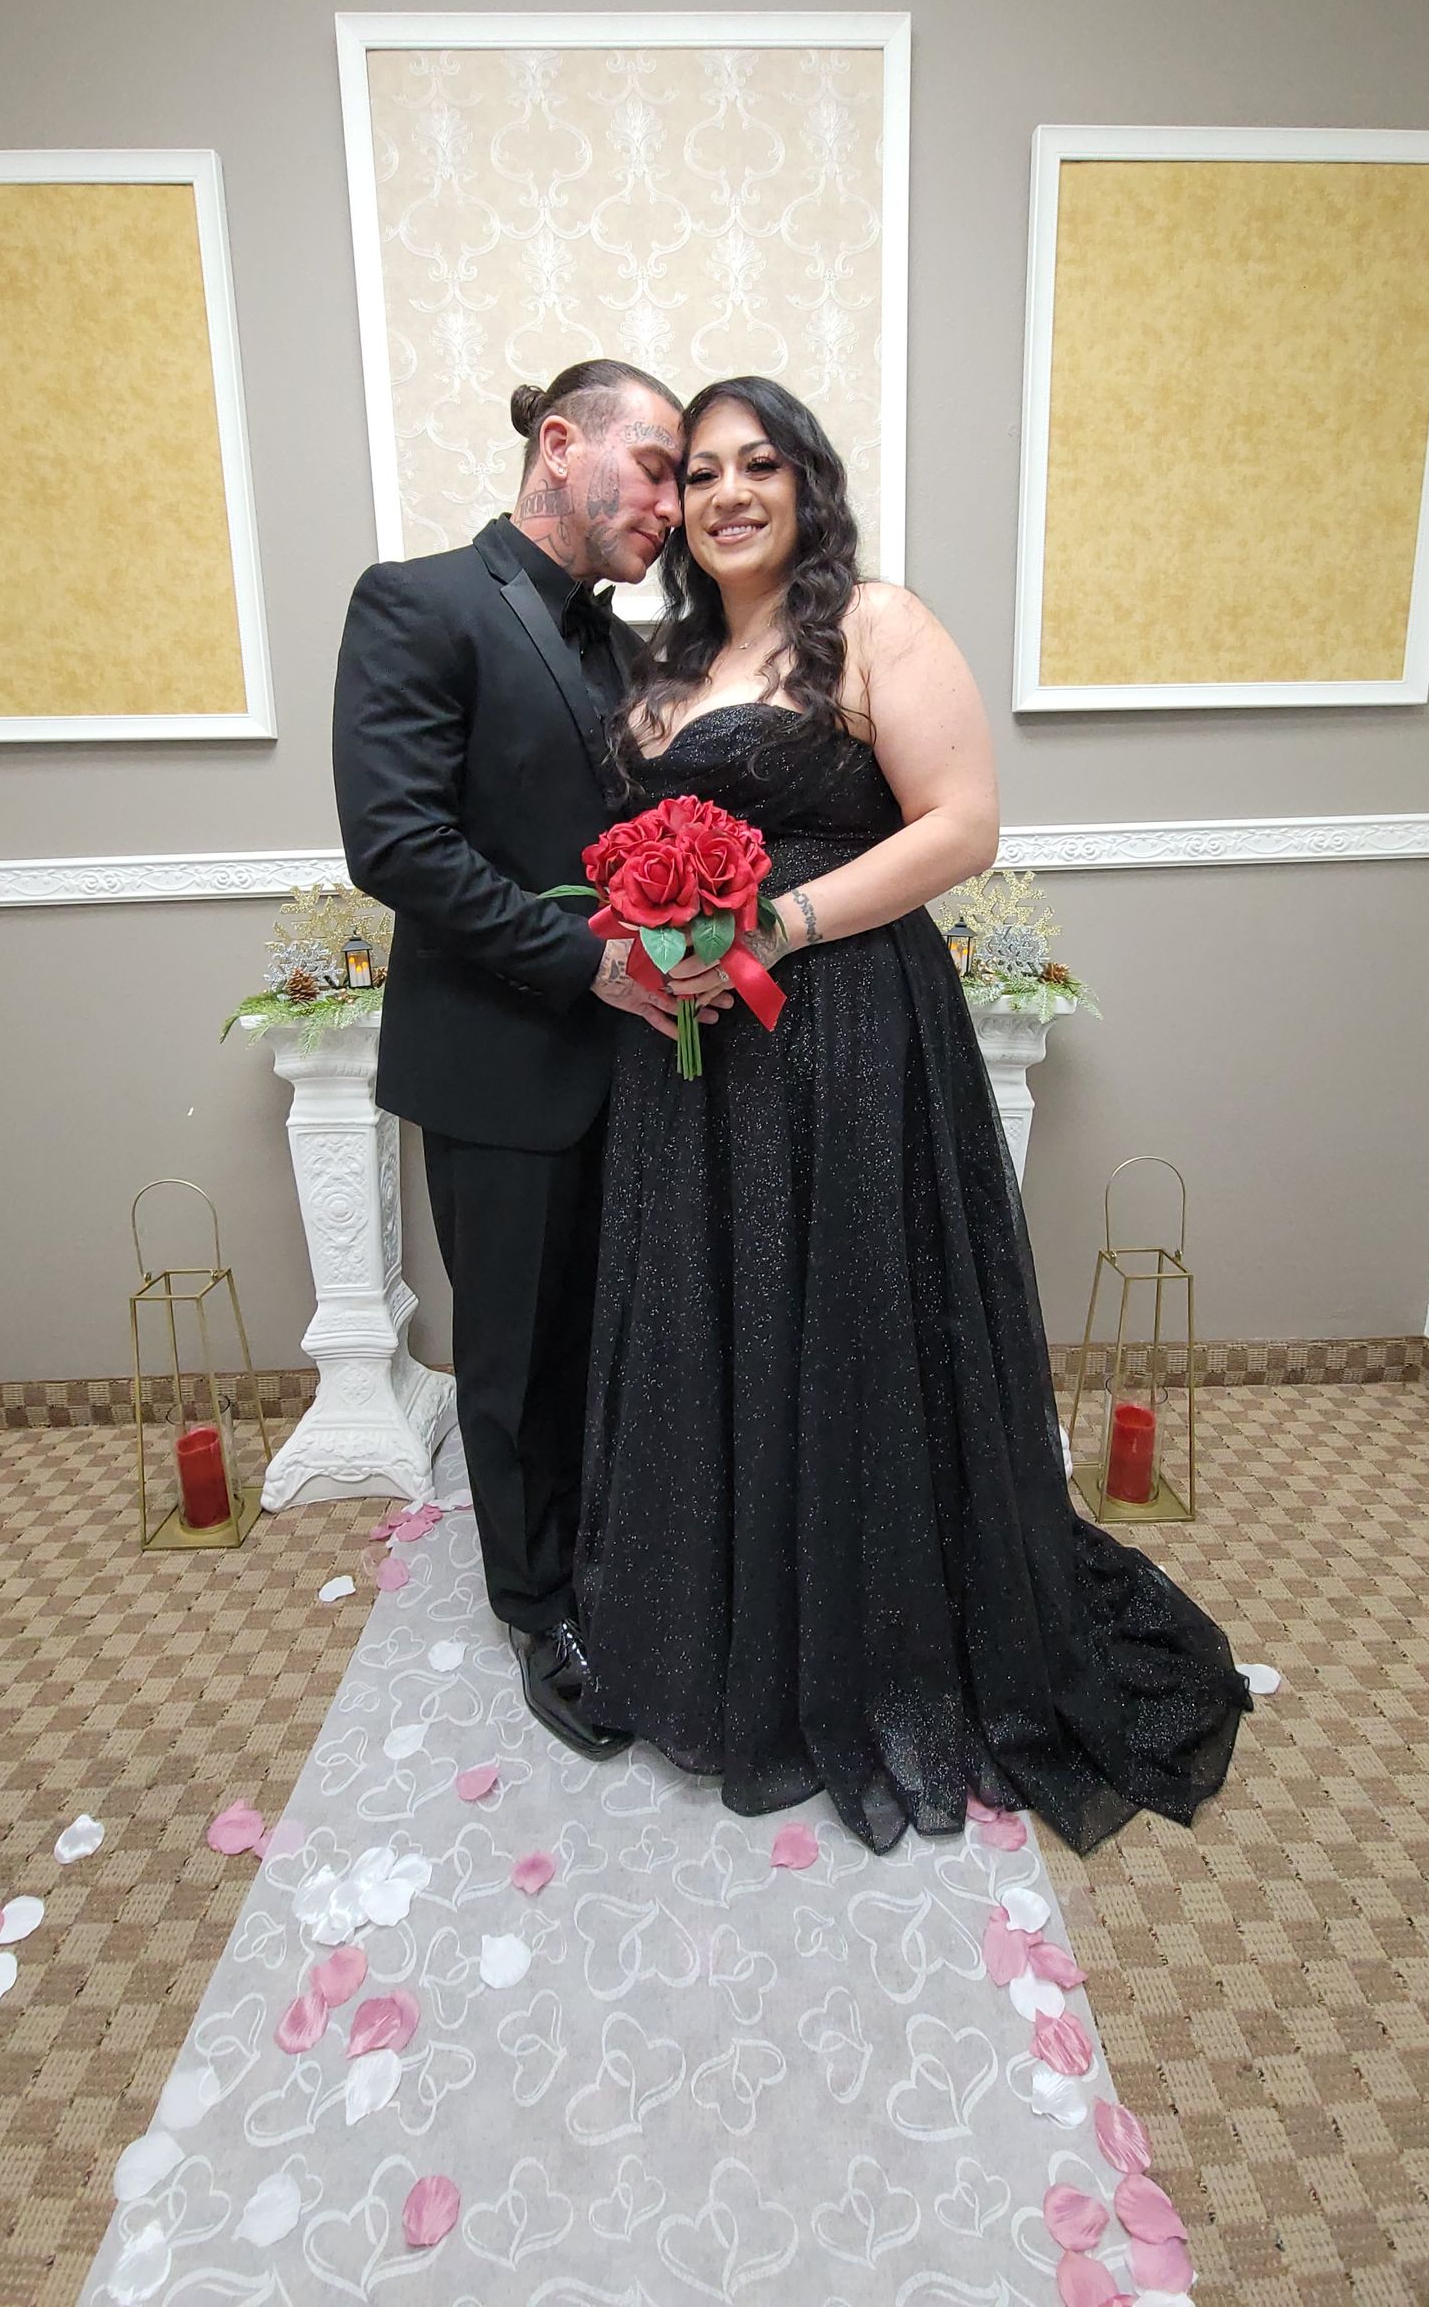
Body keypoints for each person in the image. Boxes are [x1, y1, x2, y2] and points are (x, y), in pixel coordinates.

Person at [573, 376, 1250, 1852]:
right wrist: (648, 953)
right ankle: (732, 1625)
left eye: (761, 464)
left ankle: (880, 1638)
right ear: (676, 506)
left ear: (806, 485)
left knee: (854, 1314)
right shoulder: (664, 662)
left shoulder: (875, 625)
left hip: (848, 1033)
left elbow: (964, 824)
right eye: (702, 471)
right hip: (694, 1057)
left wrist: (781, 925)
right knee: (720, 1312)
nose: (729, 493)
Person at [334, 358, 707, 1761]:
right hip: (500, 1067)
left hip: (642, 1071)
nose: (672, 503)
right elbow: (398, 845)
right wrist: (588, 965)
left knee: (620, 1339)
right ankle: (540, 1610)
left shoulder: (630, 652)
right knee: (517, 1357)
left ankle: (615, 1559)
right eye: (657, 466)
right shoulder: (417, 603)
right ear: (561, 444)